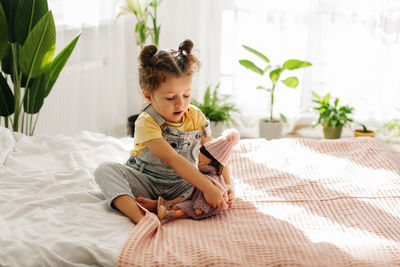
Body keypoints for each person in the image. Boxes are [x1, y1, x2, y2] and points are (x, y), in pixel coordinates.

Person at [94, 39, 235, 224]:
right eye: (170, 98)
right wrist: (208, 189)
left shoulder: (196, 117)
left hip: (183, 183)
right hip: (146, 180)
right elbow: (173, 159)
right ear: (148, 95)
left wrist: (226, 185)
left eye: (186, 95)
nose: (180, 103)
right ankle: (139, 217)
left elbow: (215, 155)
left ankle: (167, 206)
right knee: (104, 171)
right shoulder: (146, 121)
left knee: (210, 184)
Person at [157, 129, 239, 222]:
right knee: (188, 191)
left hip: (202, 205)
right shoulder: (202, 172)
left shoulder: (211, 178)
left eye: (199, 161)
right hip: (194, 196)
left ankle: (169, 213)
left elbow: (209, 195)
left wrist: (201, 206)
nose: (197, 163)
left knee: (186, 208)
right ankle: (169, 205)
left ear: (211, 163)